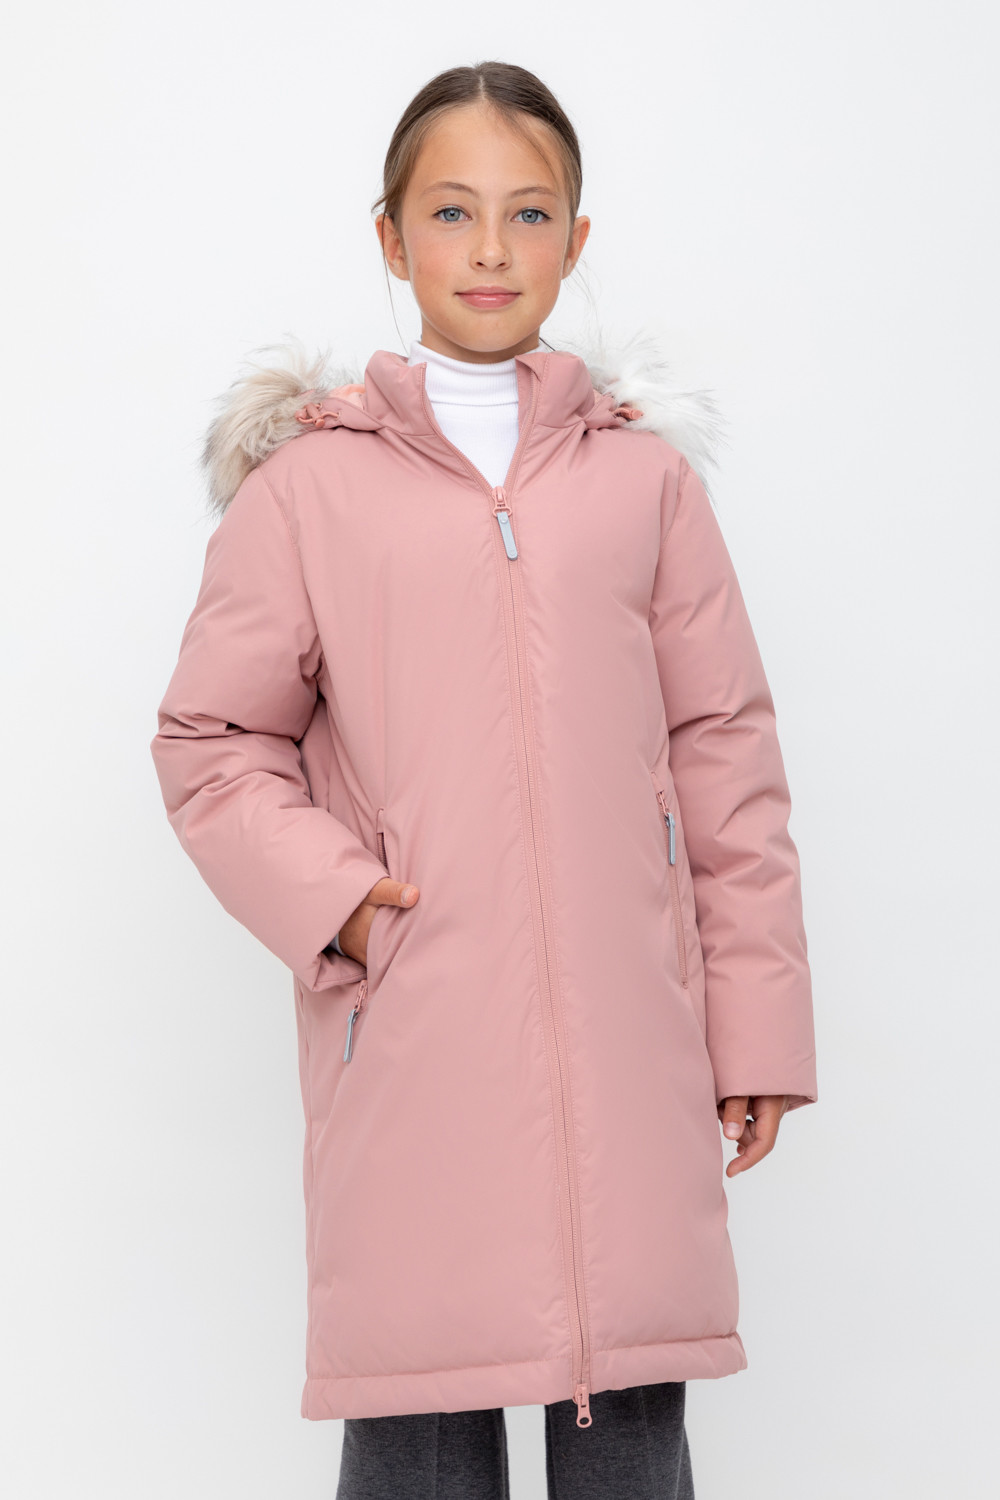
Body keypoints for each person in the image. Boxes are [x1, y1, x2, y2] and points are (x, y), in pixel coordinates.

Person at [150, 59, 818, 1500]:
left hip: (631, 1049)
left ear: (577, 239)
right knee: (421, 1425)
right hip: (415, 1039)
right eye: (452, 212)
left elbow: (725, 755)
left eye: (530, 212)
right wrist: (342, 904)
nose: (492, 248)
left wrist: (755, 1028)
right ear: (391, 239)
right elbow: (211, 739)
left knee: (627, 1422)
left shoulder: (644, 486)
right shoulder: (307, 493)